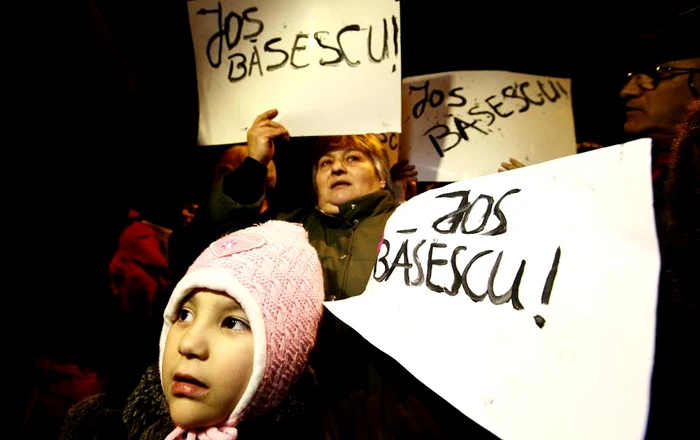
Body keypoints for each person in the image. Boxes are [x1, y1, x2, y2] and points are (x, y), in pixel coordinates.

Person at [60, 220, 326, 439]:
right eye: (184, 314)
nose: (188, 345)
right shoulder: (96, 428)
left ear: (282, 363)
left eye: (232, 322)